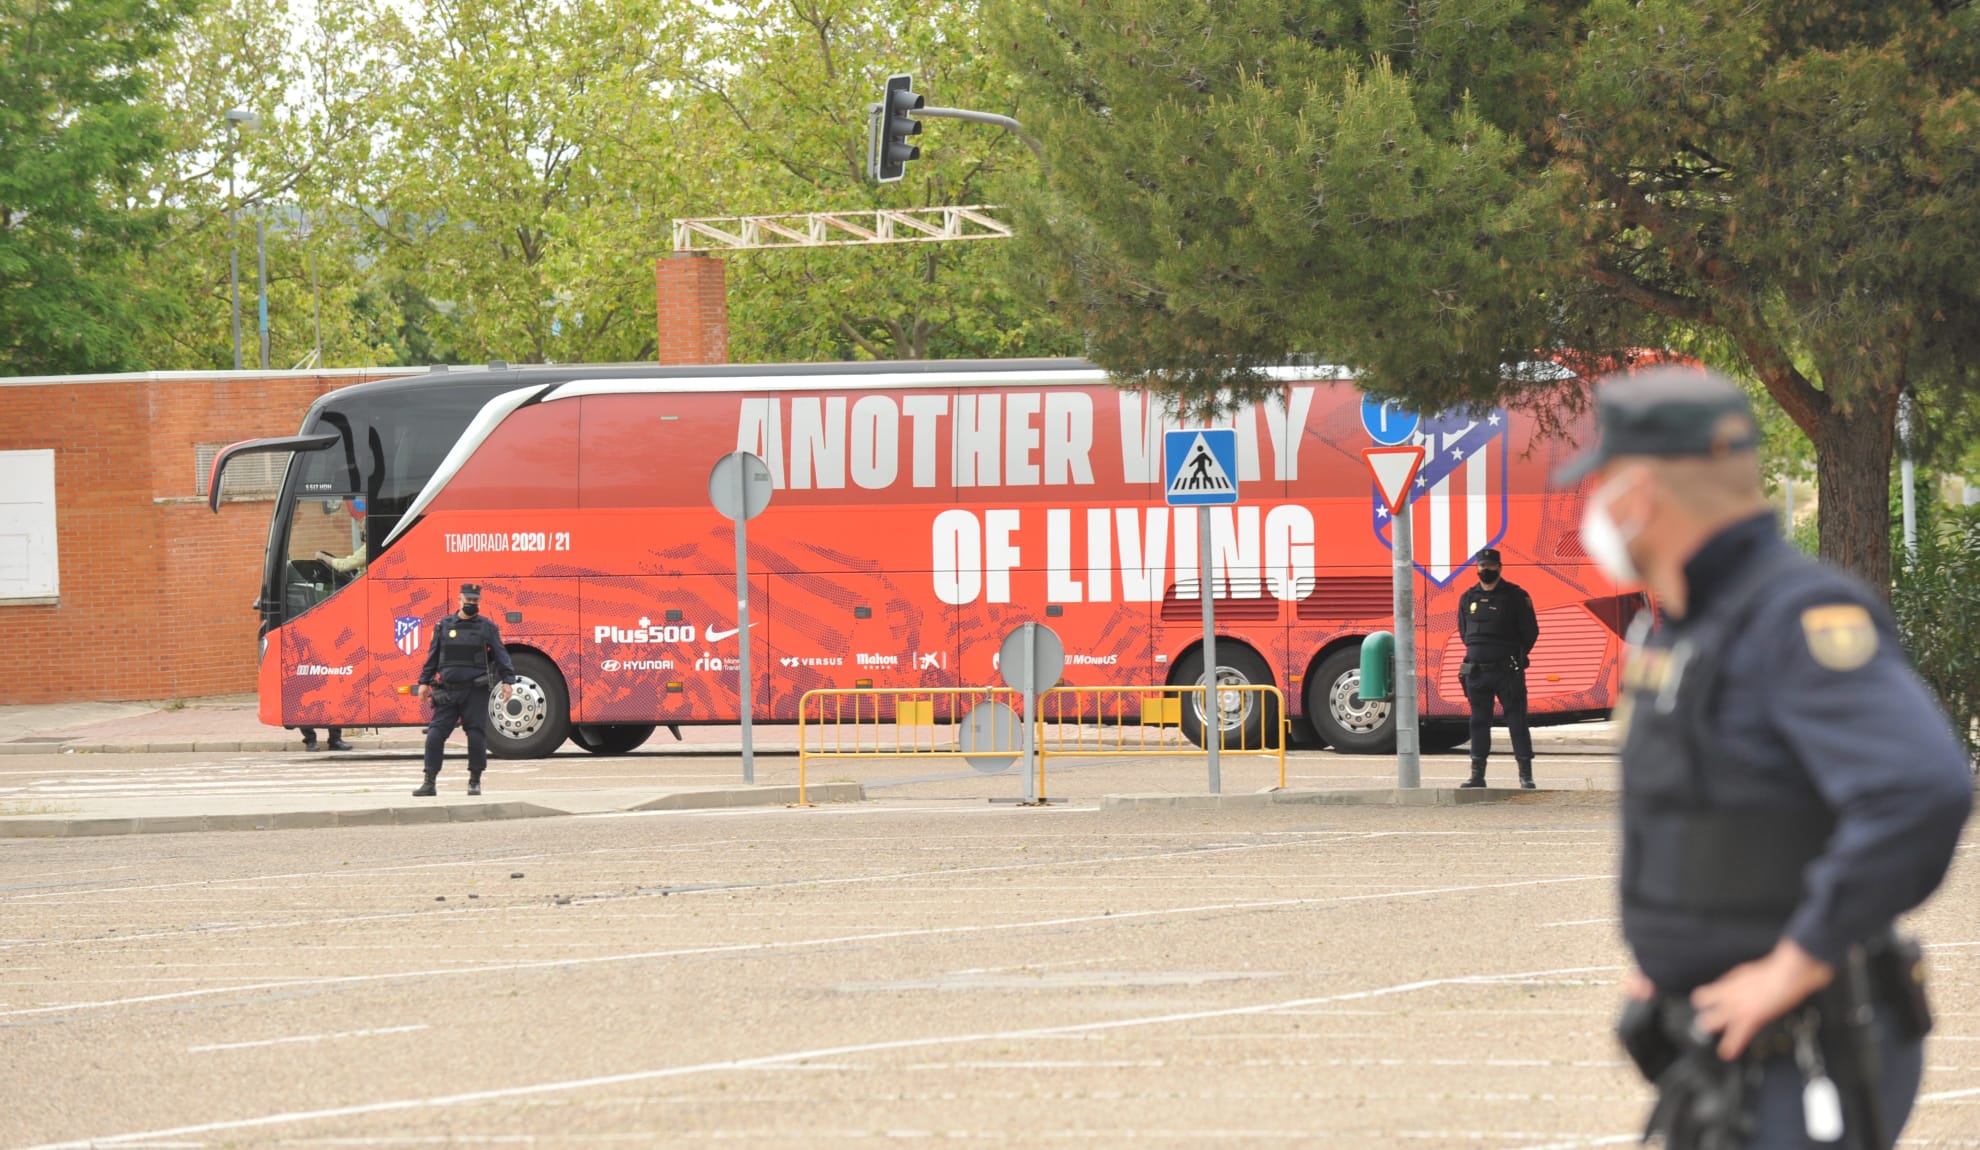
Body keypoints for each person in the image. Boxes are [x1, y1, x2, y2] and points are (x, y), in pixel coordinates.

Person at [1555, 366, 1972, 1149]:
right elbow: (1707, 805)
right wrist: (1668, 952)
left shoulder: (1796, 617)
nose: (1592, 509)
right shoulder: (1686, 625)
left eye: (1600, 483)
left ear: (1639, 493)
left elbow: (1920, 791)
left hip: (1807, 1039)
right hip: (1719, 1042)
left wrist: (1797, 962)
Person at [413, 583, 517, 797]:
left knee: (476, 734)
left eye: (475, 601)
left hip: (475, 692)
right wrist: (424, 682)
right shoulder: (443, 626)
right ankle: (429, 782)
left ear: (479, 601)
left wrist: (508, 681)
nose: (471, 604)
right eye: (468, 600)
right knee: (434, 734)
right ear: (459, 599)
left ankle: (474, 781)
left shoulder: (487, 627)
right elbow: (433, 657)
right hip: (448, 691)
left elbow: (501, 655)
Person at [1455, 546, 1539, 788]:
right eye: (1483, 566)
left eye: (1491, 566)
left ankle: (1525, 775)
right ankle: (1477, 775)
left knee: (1517, 721)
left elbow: (1530, 632)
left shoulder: (1515, 596)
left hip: (1506, 672)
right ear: (1477, 568)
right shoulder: (1468, 597)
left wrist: (1514, 657)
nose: (1487, 570)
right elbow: (1464, 632)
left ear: (1500, 568)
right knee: (1478, 722)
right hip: (1477, 672)